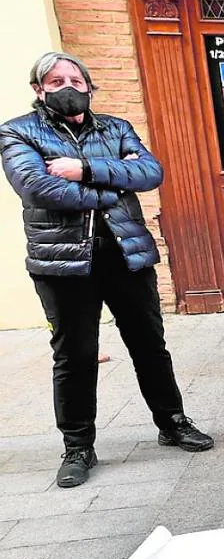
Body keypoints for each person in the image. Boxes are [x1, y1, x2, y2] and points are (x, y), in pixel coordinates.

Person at [0, 52, 213, 488]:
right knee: (75, 357)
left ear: (90, 86)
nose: (68, 87)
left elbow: (150, 172)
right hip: (63, 262)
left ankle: (172, 422)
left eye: (76, 79)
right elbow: (37, 187)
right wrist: (107, 194)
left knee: (149, 344)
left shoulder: (115, 128)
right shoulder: (18, 131)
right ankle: (78, 445)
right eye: (56, 80)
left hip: (125, 253)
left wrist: (85, 169)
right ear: (39, 89)